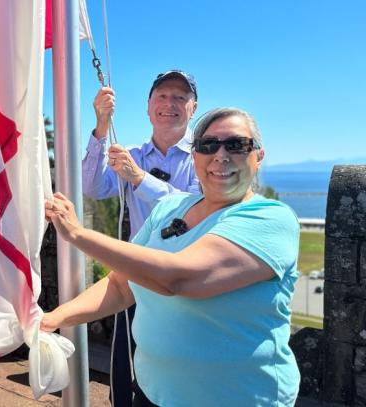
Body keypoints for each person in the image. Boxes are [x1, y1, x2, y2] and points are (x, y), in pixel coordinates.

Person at [44, 107, 300, 406]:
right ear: (195, 156)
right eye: (208, 145)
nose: (220, 155)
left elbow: (180, 278)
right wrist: (53, 319)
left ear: (258, 156)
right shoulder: (171, 208)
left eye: (236, 145)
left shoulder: (270, 219)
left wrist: (78, 234)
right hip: (154, 393)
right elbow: (119, 285)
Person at [83, 70, 201, 406]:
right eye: (162, 96)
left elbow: (189, 212)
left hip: (184, 280)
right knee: (127, 365)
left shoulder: (204, 156)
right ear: (148, 108)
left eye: (180, 97)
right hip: (135, 279)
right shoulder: (132, 152)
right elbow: (91, 187)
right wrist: (101, 127)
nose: (170, 104)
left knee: (178, 370)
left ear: (192, 109)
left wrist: (138, 178)